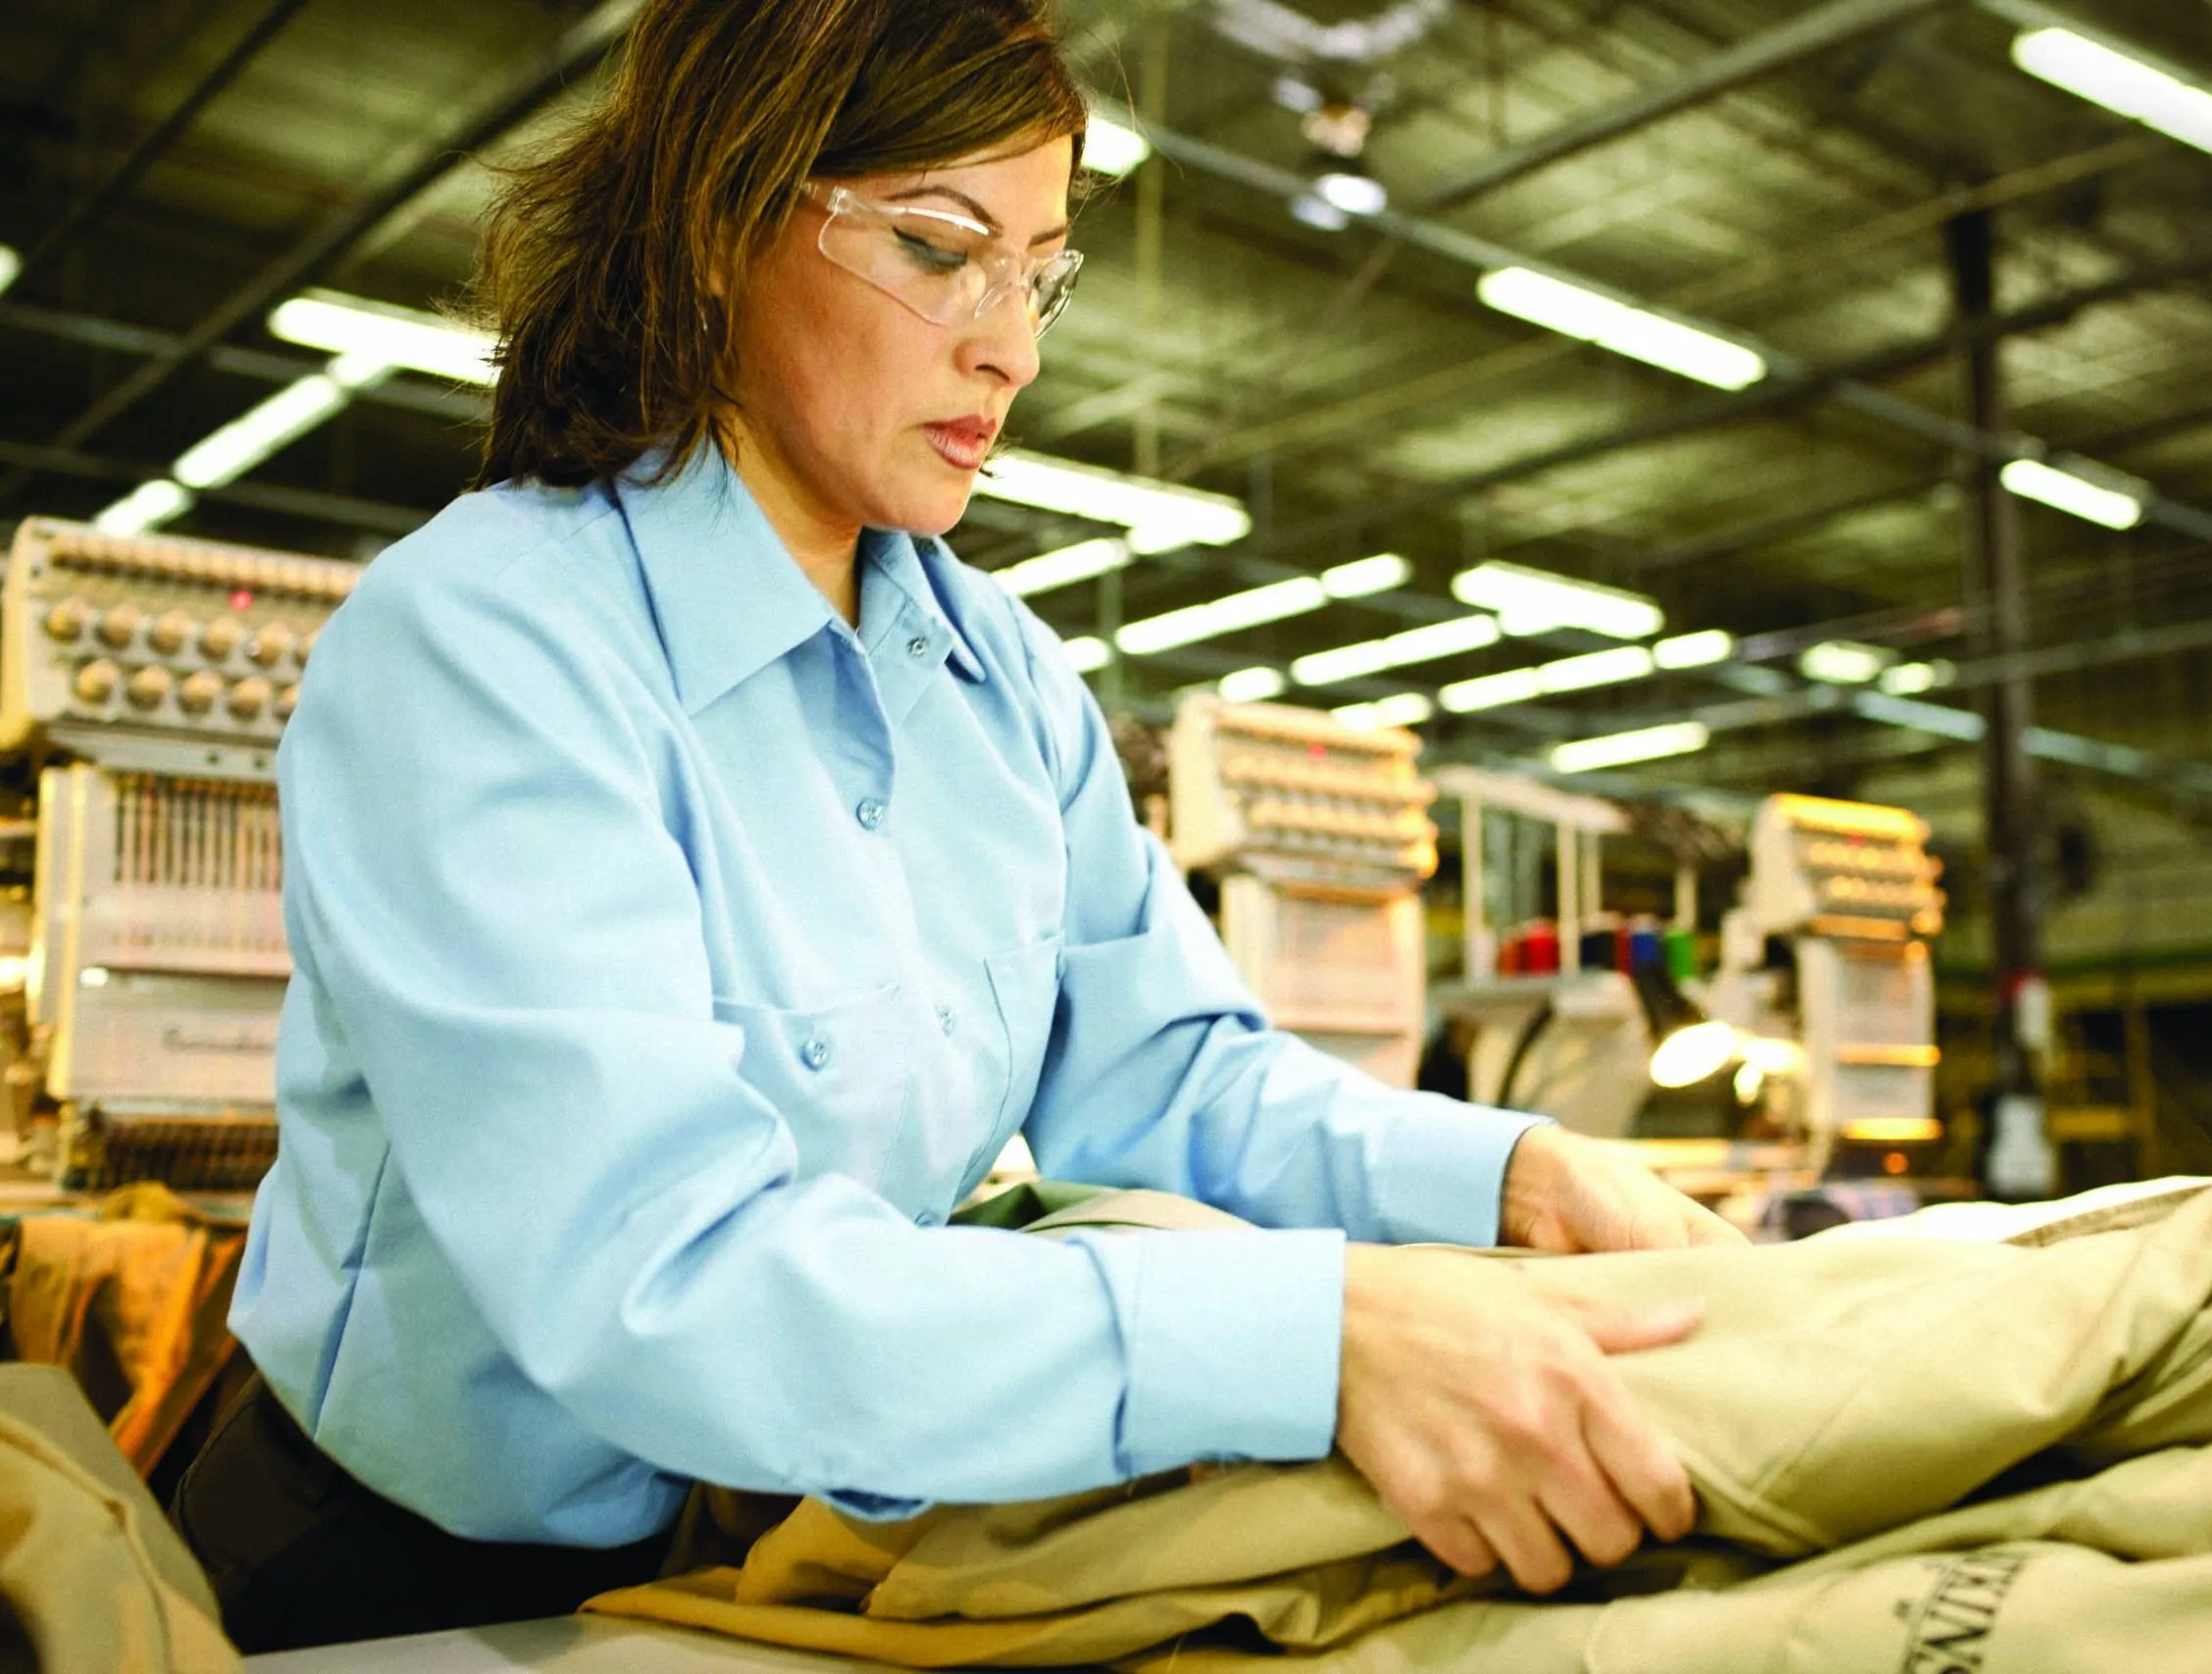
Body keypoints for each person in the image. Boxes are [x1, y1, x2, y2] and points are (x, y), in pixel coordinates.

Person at [174, 0, 1742, 1650]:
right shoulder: (486, 645)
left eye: (1042, 269)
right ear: (719, 227)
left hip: (785, 1534)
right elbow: (663, 1278)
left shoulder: (1003, 682)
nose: (1016, 348)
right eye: (939, 249)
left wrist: (1520, 1176)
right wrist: (1315, 1336)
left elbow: (1168, 1077)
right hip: (404, 1572)